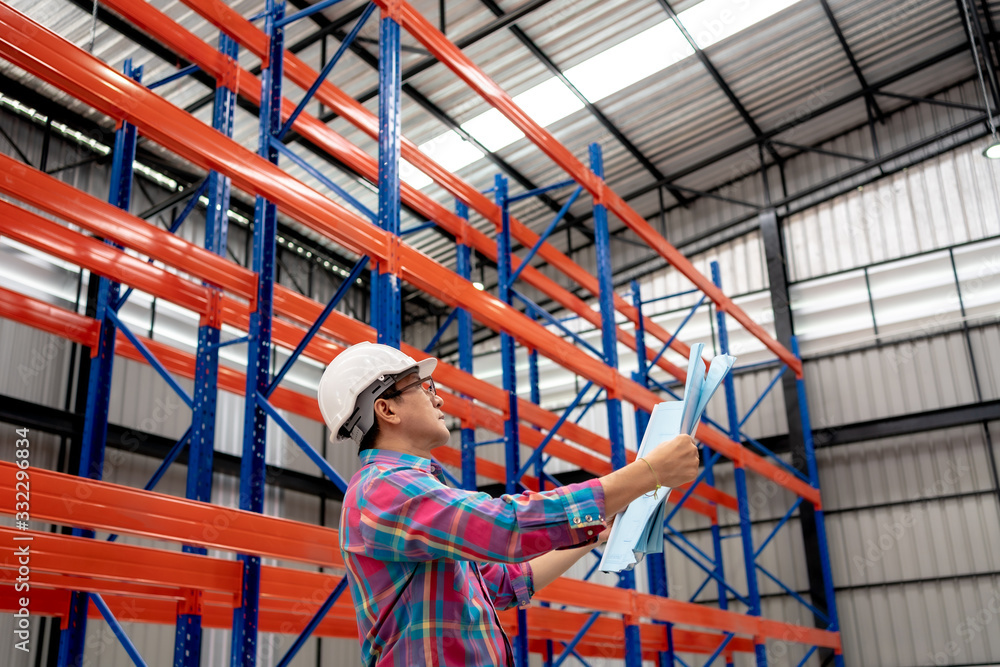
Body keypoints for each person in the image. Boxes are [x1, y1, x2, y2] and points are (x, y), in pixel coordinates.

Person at [317, 342, 699, 667]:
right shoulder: (384, 490)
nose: (438, 397)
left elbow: (499, 584)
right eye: (423, 385)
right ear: (387, 410)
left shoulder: (415, 487)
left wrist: (595, 535)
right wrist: (647, 473)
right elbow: (506, 527)